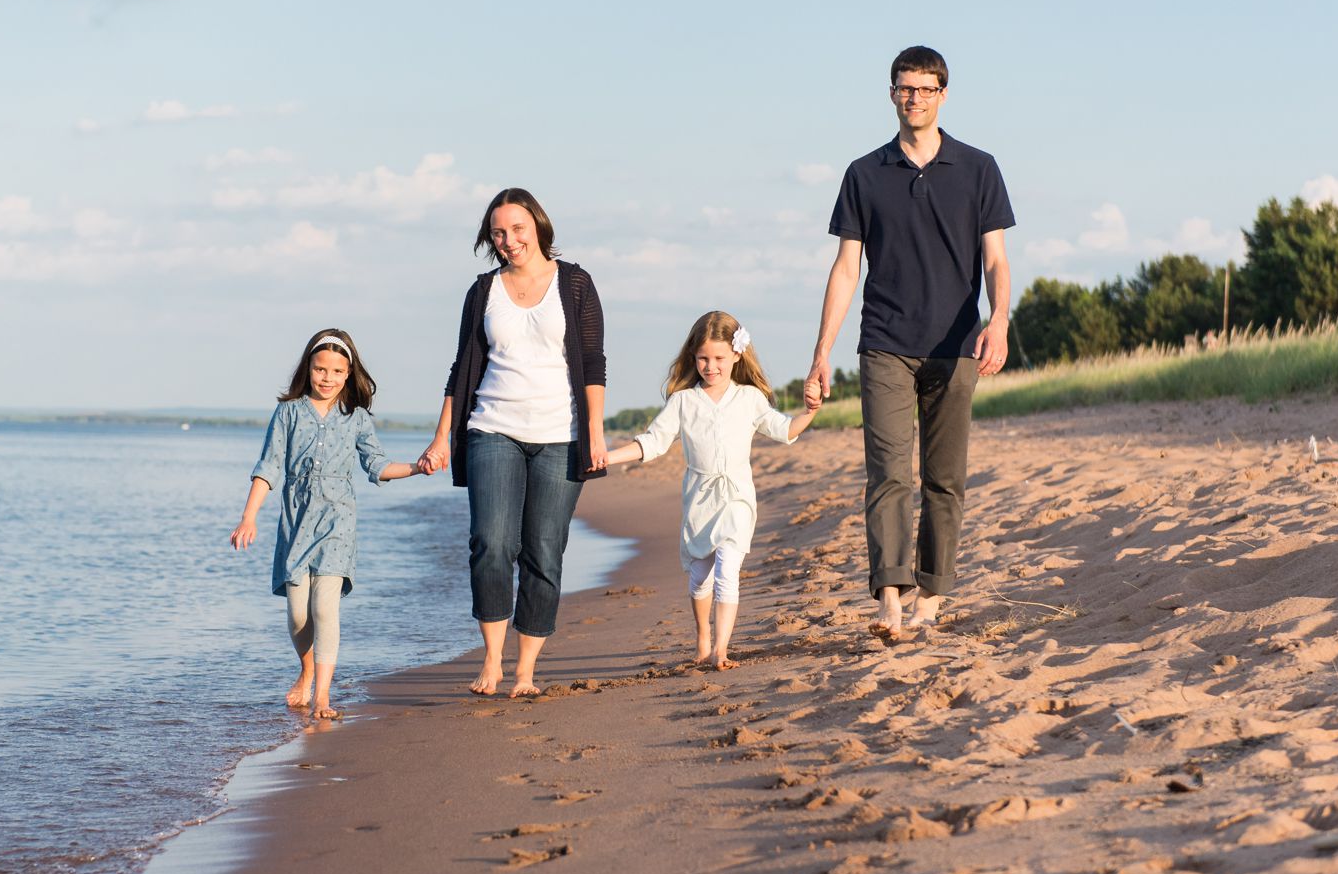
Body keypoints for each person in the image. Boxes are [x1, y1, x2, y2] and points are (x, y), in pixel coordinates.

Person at [805, 45, 1014, 640]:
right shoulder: (864, 174)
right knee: (889, 474)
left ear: (943, 94)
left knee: (945, 479)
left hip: (957, 347)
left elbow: (996, 258)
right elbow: (847, 268)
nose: (914, 98)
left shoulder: (979, 168)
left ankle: (932, 597)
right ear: (892, 93)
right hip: (884, 344)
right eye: (905, 88)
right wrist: (823, 351)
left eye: (925, 89)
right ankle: (891, 600)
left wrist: (998, 319)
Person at [420, 188, 607, 698]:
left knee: (545, 551)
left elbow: (592, 362)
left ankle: (525, 670)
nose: (509, 240)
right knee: (492, 543)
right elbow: (463, 369)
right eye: (498, 233)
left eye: (517, 228)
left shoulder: (575, 284)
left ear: (538, 226)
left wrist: (594, 431)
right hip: (492, 428)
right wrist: (442, 436)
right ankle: (492, 659)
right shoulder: (483, 291)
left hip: (560, 436)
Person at [231, 328, 427, 720]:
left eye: (337, 371)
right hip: (296, 519)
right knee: (298, 613)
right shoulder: (288, 412)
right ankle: (306, 671)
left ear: (348, 373)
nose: (327, 378)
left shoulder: (355, 418)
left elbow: (377, 466)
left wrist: (417, 468)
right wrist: (248, 516)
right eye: (320, 369)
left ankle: (322, 696)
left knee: (325, 607)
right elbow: (268, 466)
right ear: (309, 368)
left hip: (338, 520)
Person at [606, 311, 818, 669]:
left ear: (737, 355)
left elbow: (784, 429)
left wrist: (811, 411)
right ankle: (703, 636)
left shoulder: (749, 398)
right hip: (699, 498)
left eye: (719, 358)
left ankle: (721, 649)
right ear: (693, 357)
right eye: (703, 358)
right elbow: (652, 443)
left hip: (736, 495)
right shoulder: (683, 402)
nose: (711, 366)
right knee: (700, 575)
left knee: (728, 567)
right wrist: (607, 458)